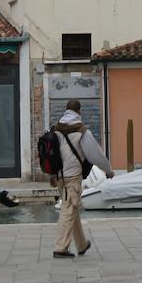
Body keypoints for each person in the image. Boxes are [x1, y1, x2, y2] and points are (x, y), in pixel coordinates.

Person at [51, 99, 113, 259]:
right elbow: (96, 155)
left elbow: (52, 154)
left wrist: (51, 175)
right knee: (68, 209)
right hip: (72, 176)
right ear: (79, 111)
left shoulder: (56, 129)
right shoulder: (81, 131)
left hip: (59, 176)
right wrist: (108, 170)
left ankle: (81, 244)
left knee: (72, 207)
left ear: (66, 110)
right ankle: (60, 248)